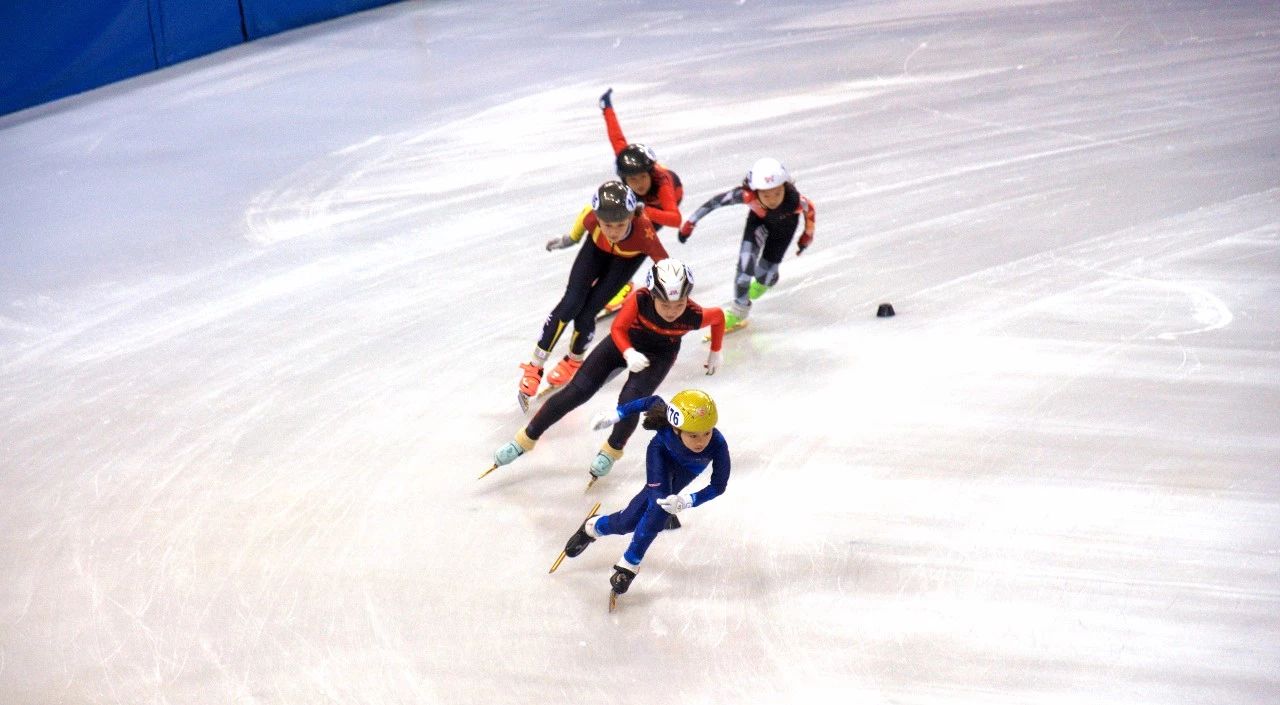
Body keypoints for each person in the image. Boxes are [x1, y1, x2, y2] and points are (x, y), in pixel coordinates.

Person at [494, 258, 726, 478]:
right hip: (622, 343)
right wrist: (628, 352)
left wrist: (716, 351)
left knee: (630, 402)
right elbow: (617, 329)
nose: (672, 311)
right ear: (652, 295)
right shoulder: (640, 299)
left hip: (659, 356)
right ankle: (525, 439)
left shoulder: (693, 315)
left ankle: (612, 450)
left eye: (680, 304)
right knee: (577, 392)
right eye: (665, 304)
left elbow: (718, 317)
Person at [560, 390, 730, 601]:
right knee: (659, 508)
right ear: (676, 428)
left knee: (628, 521)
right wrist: (616, 415)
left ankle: (594, 526)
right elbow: (651, 401)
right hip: (660, 456)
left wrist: (687, 501)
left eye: (707, 432)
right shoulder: (666, 426)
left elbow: (719, 485)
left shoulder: (718, 444)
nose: (701, 441)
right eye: (693, 435)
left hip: (686, 470)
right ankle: (629, 564)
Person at [527, 181, 669, 406]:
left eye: (620, 224)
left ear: (631, 216)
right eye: (607, 225)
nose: (613, 231)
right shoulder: (591, 217)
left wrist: (667, 299)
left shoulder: (644, 231)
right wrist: (569, 240)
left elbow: (665, 266)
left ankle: (573, 361)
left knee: (586, 314)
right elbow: (582, 220)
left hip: (626, 261)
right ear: (598, 218)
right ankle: (535, 367)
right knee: (570, 303)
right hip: (595, 250)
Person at [677, 157, 817, 330]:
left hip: (784, 230)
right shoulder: (746, 196)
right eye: (766, 195)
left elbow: (810, 210)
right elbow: (714, 203)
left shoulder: (795, 201)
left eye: (777, 193)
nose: (772, 200)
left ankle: (768, 278)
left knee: (764, 277)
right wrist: (690, 224)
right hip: (758, 223)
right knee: (744, 268)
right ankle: (738, 311)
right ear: (756, 191)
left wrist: (806, 238)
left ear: (785, 187)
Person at [599, 87, 684, 231]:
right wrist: (607, 108)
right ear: (625, 178)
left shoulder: (662, 182)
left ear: (650, 174)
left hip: (669, 197)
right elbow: (616, 137)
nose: (639, 184)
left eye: (643, 176)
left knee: (640, 232)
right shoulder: (626, 161)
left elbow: (676, 220)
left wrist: (645, 211)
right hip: (645, 202)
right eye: (633, 179)